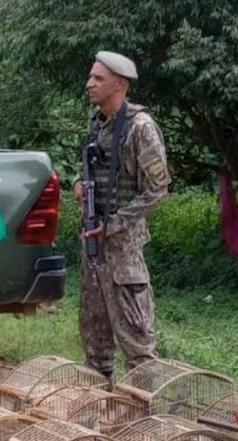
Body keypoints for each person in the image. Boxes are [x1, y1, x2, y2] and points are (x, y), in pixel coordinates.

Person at [71, 51, 171, 389]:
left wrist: (113, 224)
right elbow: (87, 168)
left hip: (123, 252)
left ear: (120, 84)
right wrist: (77, 184)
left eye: (98, 78)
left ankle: (146, 422)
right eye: (91, 76)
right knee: (95, 342)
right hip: (93, 248)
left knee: (137, 344)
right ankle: (100, 412)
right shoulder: (97, 124)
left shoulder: (140, 128)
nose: (90, 84)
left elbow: (157, 189)